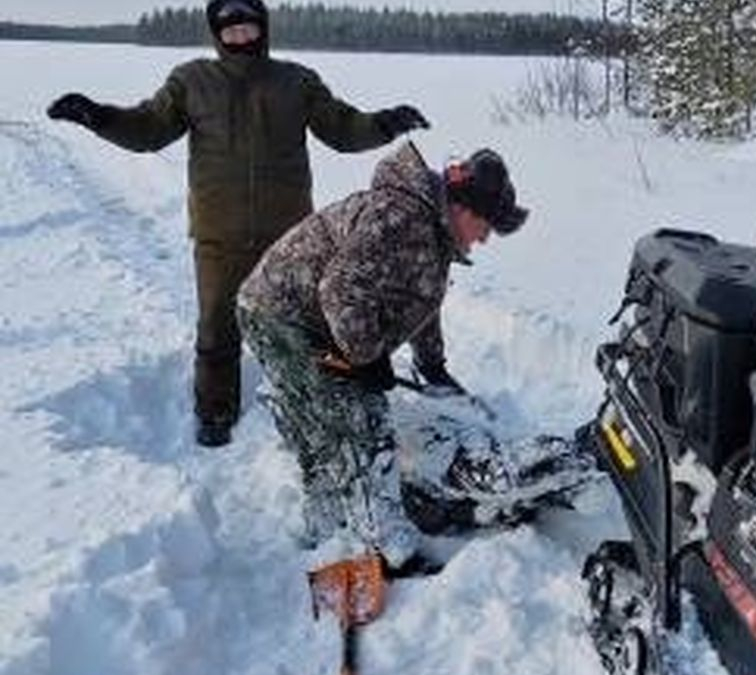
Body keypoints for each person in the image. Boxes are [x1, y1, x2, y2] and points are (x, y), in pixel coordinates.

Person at [45, 0, 431, 447]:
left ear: (263, 28)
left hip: (291, 238)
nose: (241, 39)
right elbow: (149, 128)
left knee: (311, 328)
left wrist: (385, 123)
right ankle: (215, 412)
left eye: (248, 29)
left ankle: (326, 406)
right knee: (216, 327)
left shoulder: (296, 81)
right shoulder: (192, 81)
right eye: (230, 32)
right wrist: (100, 116)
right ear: (216, 35)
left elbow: (344, 129)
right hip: (219, 236)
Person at [236, 141, 527, 559]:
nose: (484, 239)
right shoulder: (401, 218)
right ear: (464, 209)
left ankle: (332, 514)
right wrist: (368, 356)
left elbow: (420, 297)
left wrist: (433, 365)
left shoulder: (432, 228)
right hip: (281, 315)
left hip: (315, 319)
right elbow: (339, 288)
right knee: (358, 418)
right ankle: (382, 541)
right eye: (486, 226)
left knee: (340, 411)